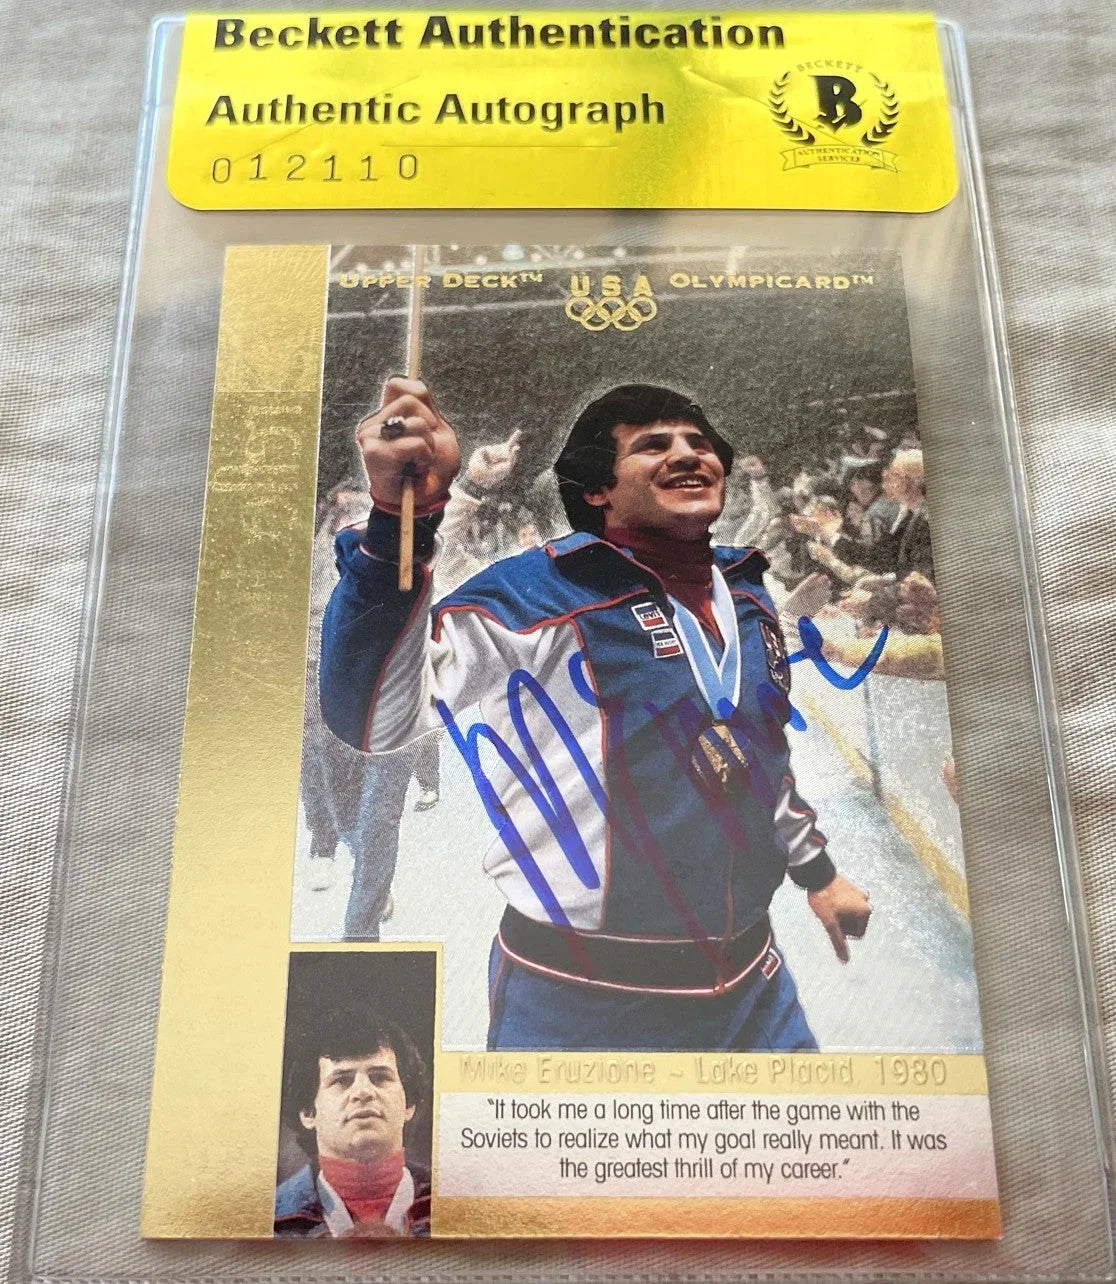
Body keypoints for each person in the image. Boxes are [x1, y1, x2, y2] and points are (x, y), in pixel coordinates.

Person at [320, 380, 871, 1052]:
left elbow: (761, 760)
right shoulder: (531, 593)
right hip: (576, 996)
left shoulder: (749, 593)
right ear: (597, 490)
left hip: (753, 985)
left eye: (699, 443)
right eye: (653, 445)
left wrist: (818, 874)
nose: (688, 454)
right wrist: (396, 522)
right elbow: (374, 719)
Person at [275, 1011, 430, 1238]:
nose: (363, 1092)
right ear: (308, 1112)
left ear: (409, 1105)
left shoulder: (456, 1206)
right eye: (342, 1080)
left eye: (380, 1077)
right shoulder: (268, 1222)